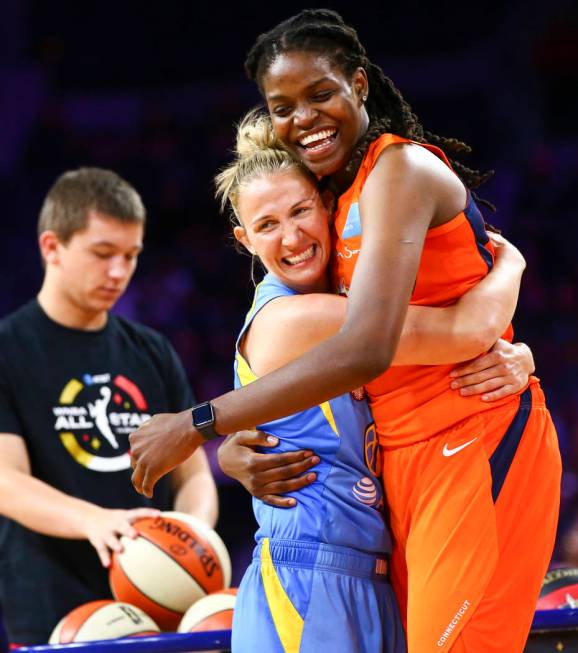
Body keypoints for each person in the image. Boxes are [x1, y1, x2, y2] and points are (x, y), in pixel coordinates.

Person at [130, 9, 561, 653]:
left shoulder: (393, 172)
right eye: (282, 106)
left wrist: (199, 425)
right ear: (243, 239)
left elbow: (374, 345)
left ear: (360, 85)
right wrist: (237, 450)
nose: (303, 117)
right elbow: (409, 341)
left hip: (467, 444)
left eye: (320, 93)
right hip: (386, 493)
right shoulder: (326, 227)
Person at [214, 111, 525, 652]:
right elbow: (465, 330)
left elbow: (438, 353)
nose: (290, 236)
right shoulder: (295, 318)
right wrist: (512, 262)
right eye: (267, 225)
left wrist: (518, 357)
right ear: (244, 239)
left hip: (369, 571)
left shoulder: (351, 301)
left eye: (300, 210)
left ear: (329, 207)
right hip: (307, 574)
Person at [0, 168, 218, 644]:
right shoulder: (8, 348)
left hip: (155, 605)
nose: (119, 272)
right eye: (103, 254)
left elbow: (194, 473)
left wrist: (186, 538)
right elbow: (5, 481)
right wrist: (93, 521)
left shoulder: (153, 350)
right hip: (53, 608)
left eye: (131, 256)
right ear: (51, 247)